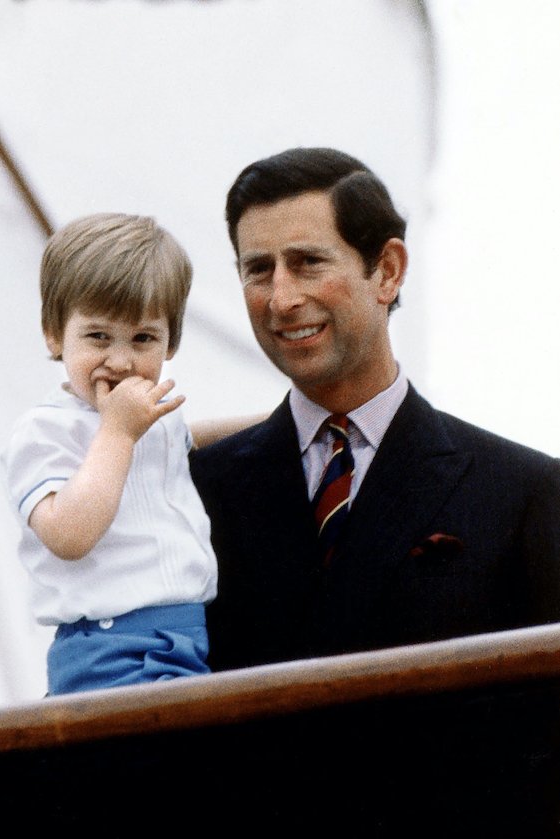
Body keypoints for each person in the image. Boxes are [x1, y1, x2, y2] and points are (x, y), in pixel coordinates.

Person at [189, 147, 560, 825]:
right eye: (256, 270)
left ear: (386, 270)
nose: (280, 298)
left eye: (307, 262)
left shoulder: (524, 493)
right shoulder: (194, 492)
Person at [1, 212, 217, 696]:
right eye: (98, 337)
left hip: (183, 633)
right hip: (112, 645)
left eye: (143, 338)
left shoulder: (153, 418)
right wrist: (117, 434)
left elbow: (181, 465)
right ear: (55, 334)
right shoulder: (43, 431)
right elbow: (69, 535)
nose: (120, 361)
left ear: (171, 341)